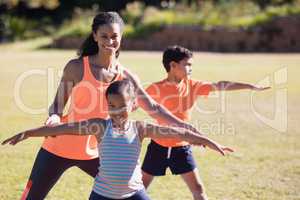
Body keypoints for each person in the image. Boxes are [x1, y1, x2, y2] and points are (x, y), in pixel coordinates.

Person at [20, 12, 202, 200]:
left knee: (130, 192)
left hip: (97, 152)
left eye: (114, 36)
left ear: (121, 37)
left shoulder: (127, 77)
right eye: (104, 36)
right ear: (95, 36)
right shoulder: (76, 67)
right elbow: (57, 104)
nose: (109, 41)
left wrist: (182, 125)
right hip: (57, 148)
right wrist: (54, 118)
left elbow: (153, 108)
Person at [2, 80, 234, 200]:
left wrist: (209, 142)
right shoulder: (99, 126)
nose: (115, 110)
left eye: (121, 105)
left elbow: (180, 133)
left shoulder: (141, 128)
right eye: (111, 106)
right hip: (103, 194)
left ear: (133, 105)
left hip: (134, 193)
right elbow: (64, 128)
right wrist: (27, 134)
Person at [141, 45, 270, 200]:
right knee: (140, 189)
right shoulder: (155, 88)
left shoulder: (193, 85)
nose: (190, 68)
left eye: (191, 65)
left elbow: (221, 84)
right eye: (187, 64)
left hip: (182, 147)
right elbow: (133, 104)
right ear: (173, 65)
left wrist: (249, 86)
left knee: (199, 189)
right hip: (158, 147)